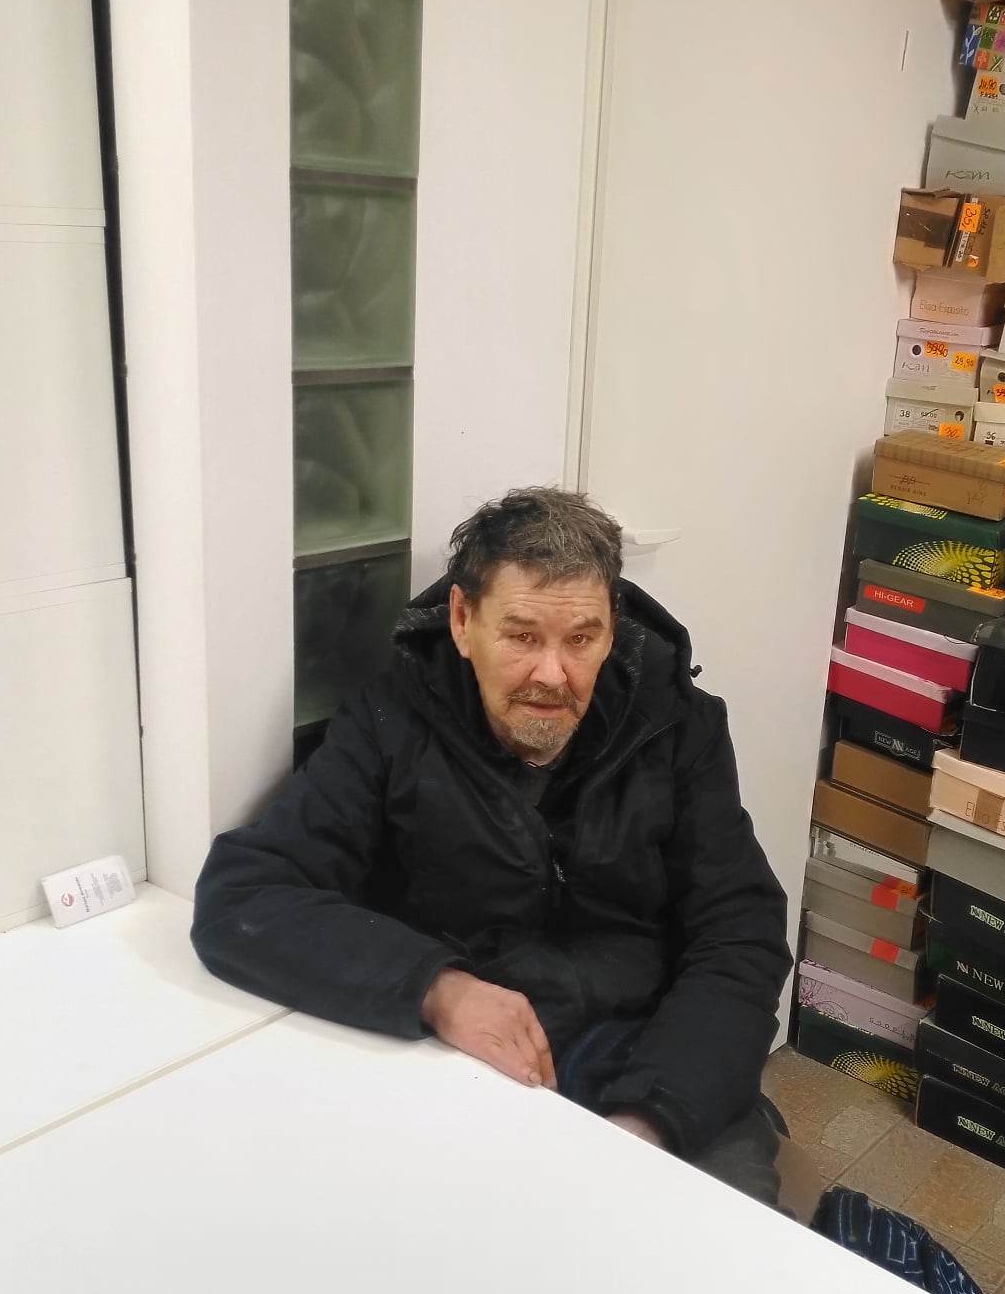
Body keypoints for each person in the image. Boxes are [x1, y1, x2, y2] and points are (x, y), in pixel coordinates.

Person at [192, 488, 793, 1201]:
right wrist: (436, 989)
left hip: (644, 1042)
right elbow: (243, 896)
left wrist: (649, 1122)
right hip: (462, 1053)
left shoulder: (679, 727)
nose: (553, 675)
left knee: (722, 1232)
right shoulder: (389, 724)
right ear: (462, 620)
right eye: (522, 637)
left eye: (581, 640)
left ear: (612, 628)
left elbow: (741, 934)